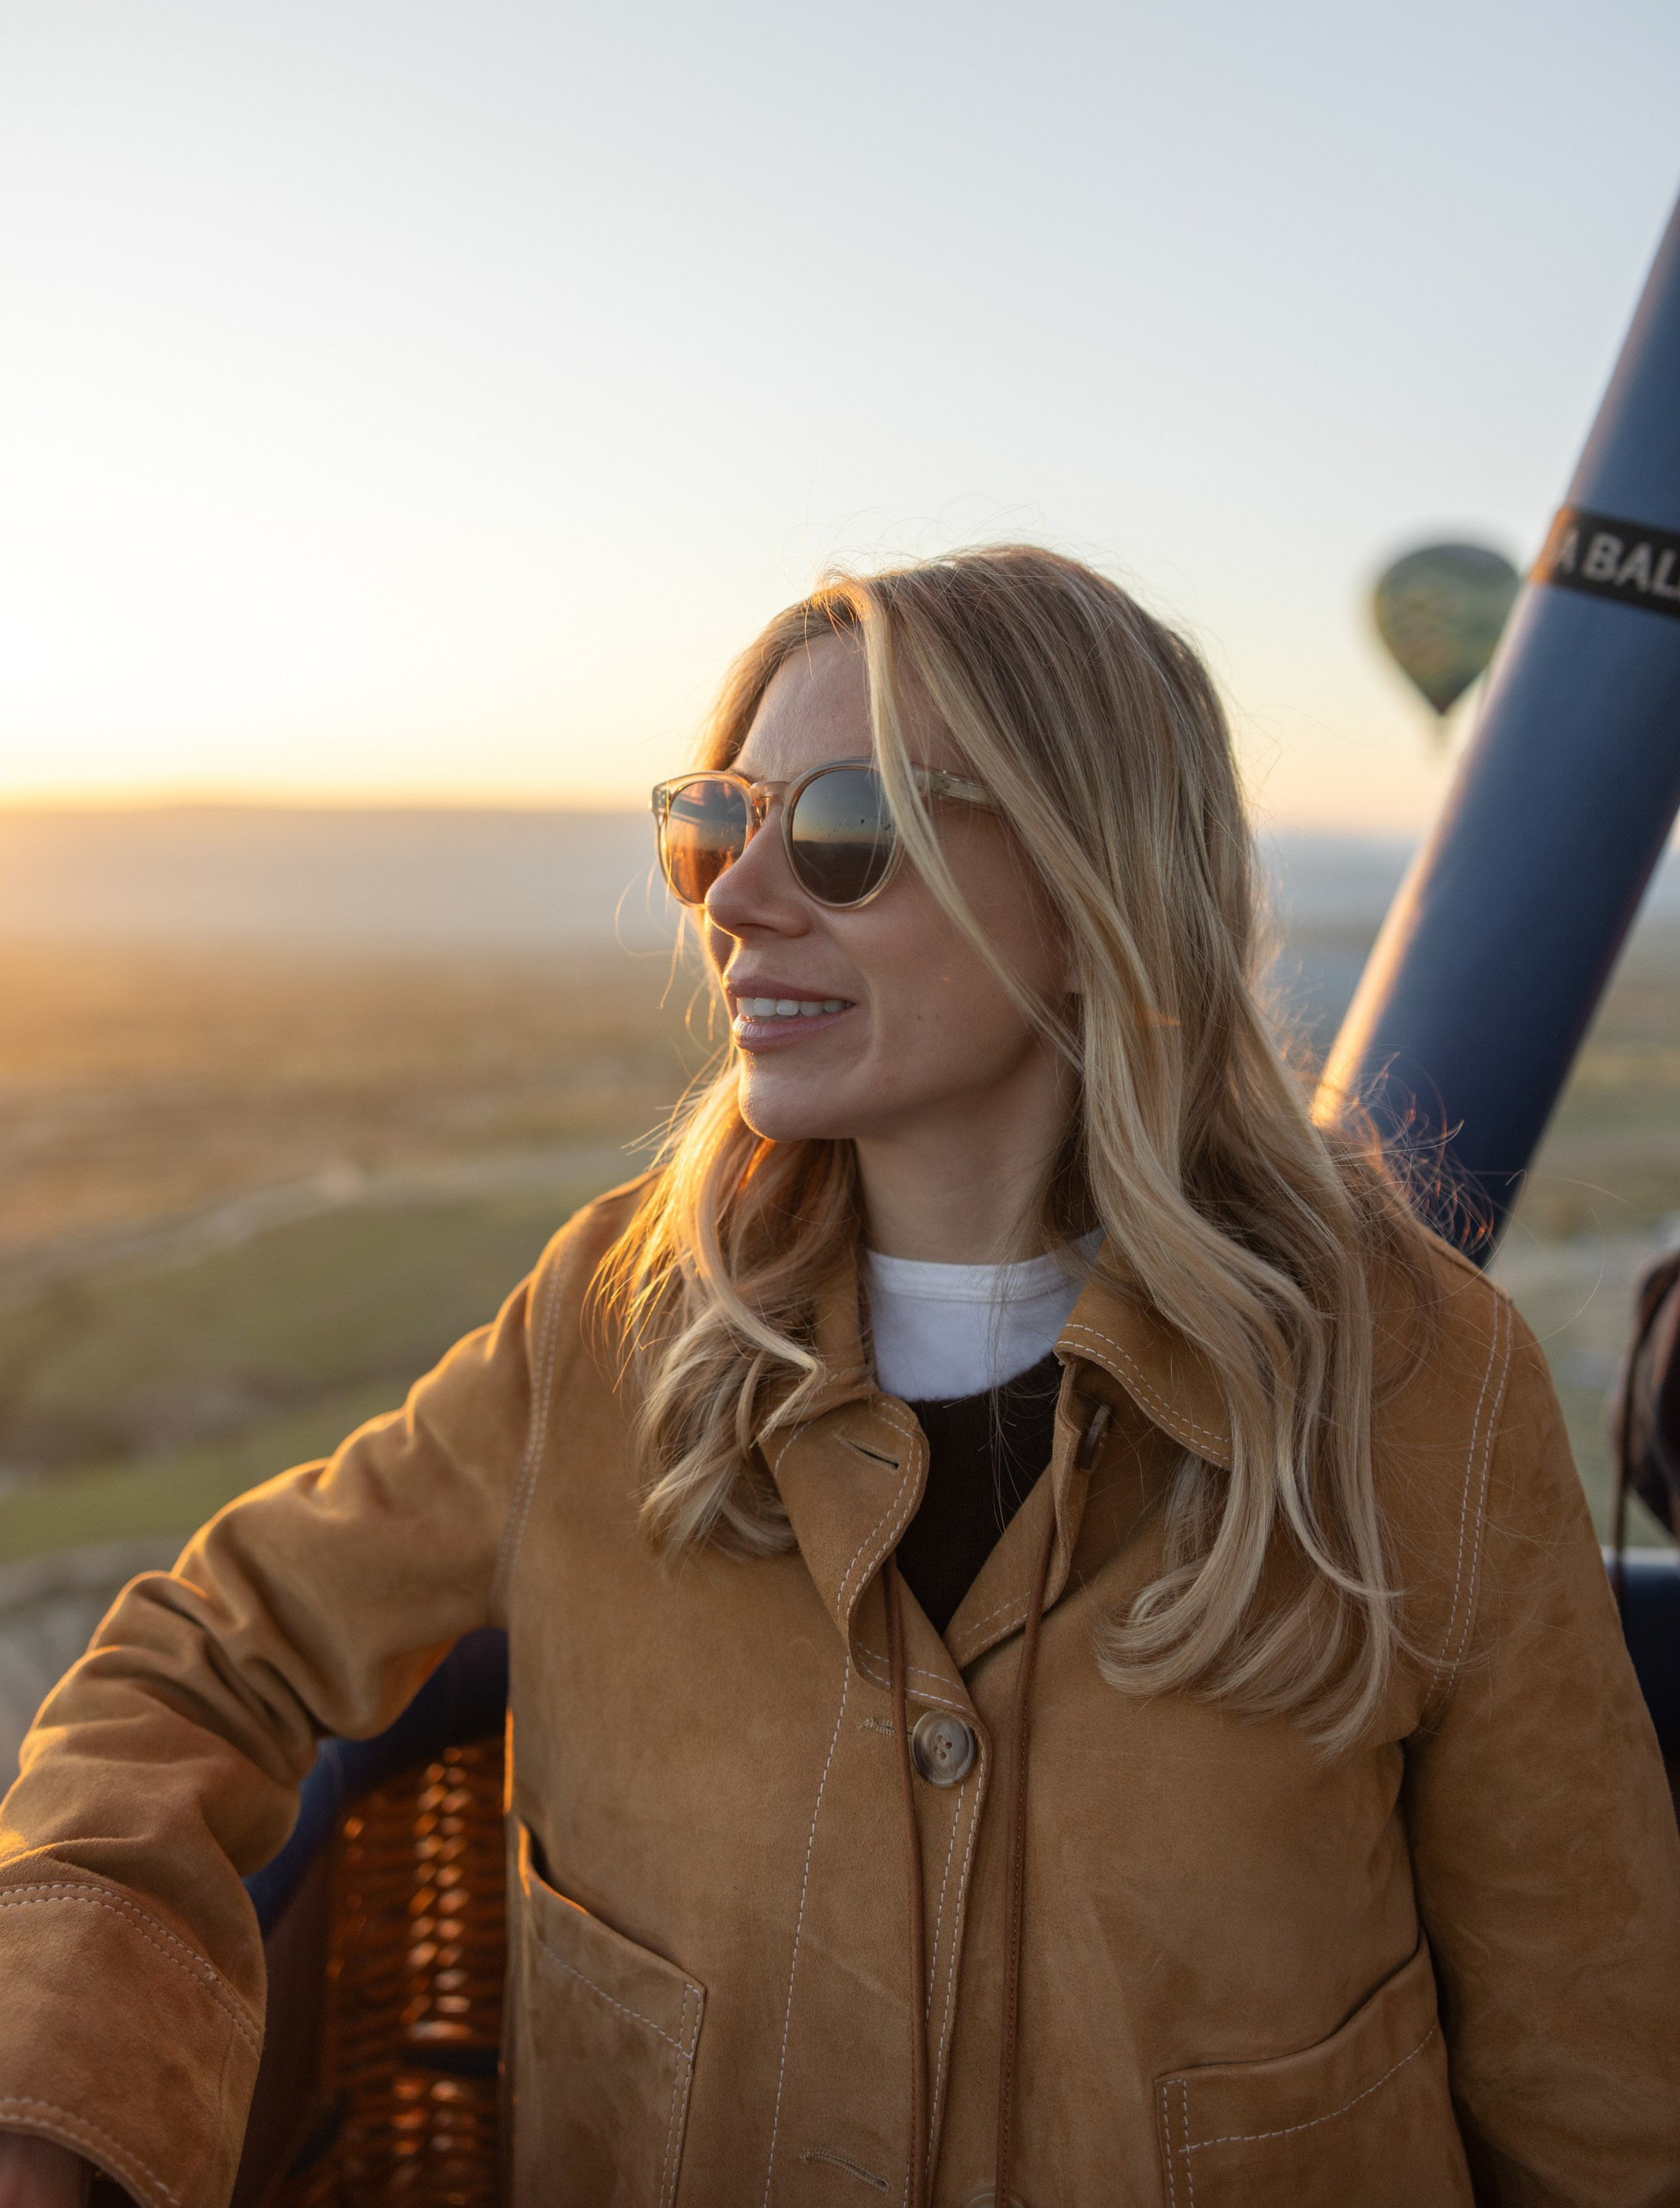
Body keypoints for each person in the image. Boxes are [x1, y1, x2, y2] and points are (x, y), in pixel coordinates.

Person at [1, 545, 1677, 2208]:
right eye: (715, 827)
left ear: (1100, 898)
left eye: (845, 835)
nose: (732, 899)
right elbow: (203, 1653)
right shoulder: (608, 1327)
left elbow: (1596, 2072)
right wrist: (51, 2101)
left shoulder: (1418, 1392)